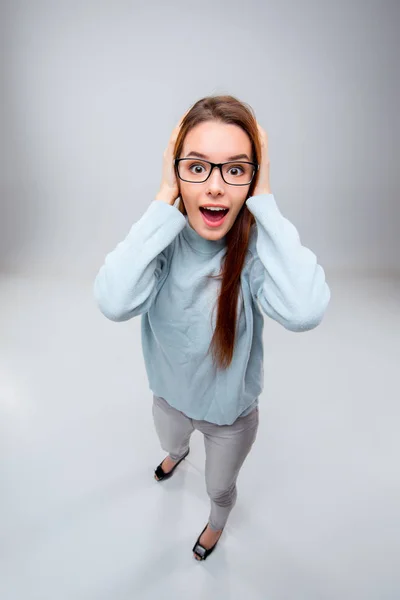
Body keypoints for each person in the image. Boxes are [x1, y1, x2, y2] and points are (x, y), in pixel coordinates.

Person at [93, 95, 331, 561]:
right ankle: (176, 453)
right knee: (171, 441)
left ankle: (215, 526)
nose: (216, 188)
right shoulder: (162, 241)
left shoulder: (258, 251)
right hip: (168, 396)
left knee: (219, 488)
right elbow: (113, 300)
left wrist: (264, 201)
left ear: (252, 178)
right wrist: (165, 194)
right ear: (176, 170)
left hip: (228, 418)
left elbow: (305, 310)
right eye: (197, 168)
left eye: (237, 170)